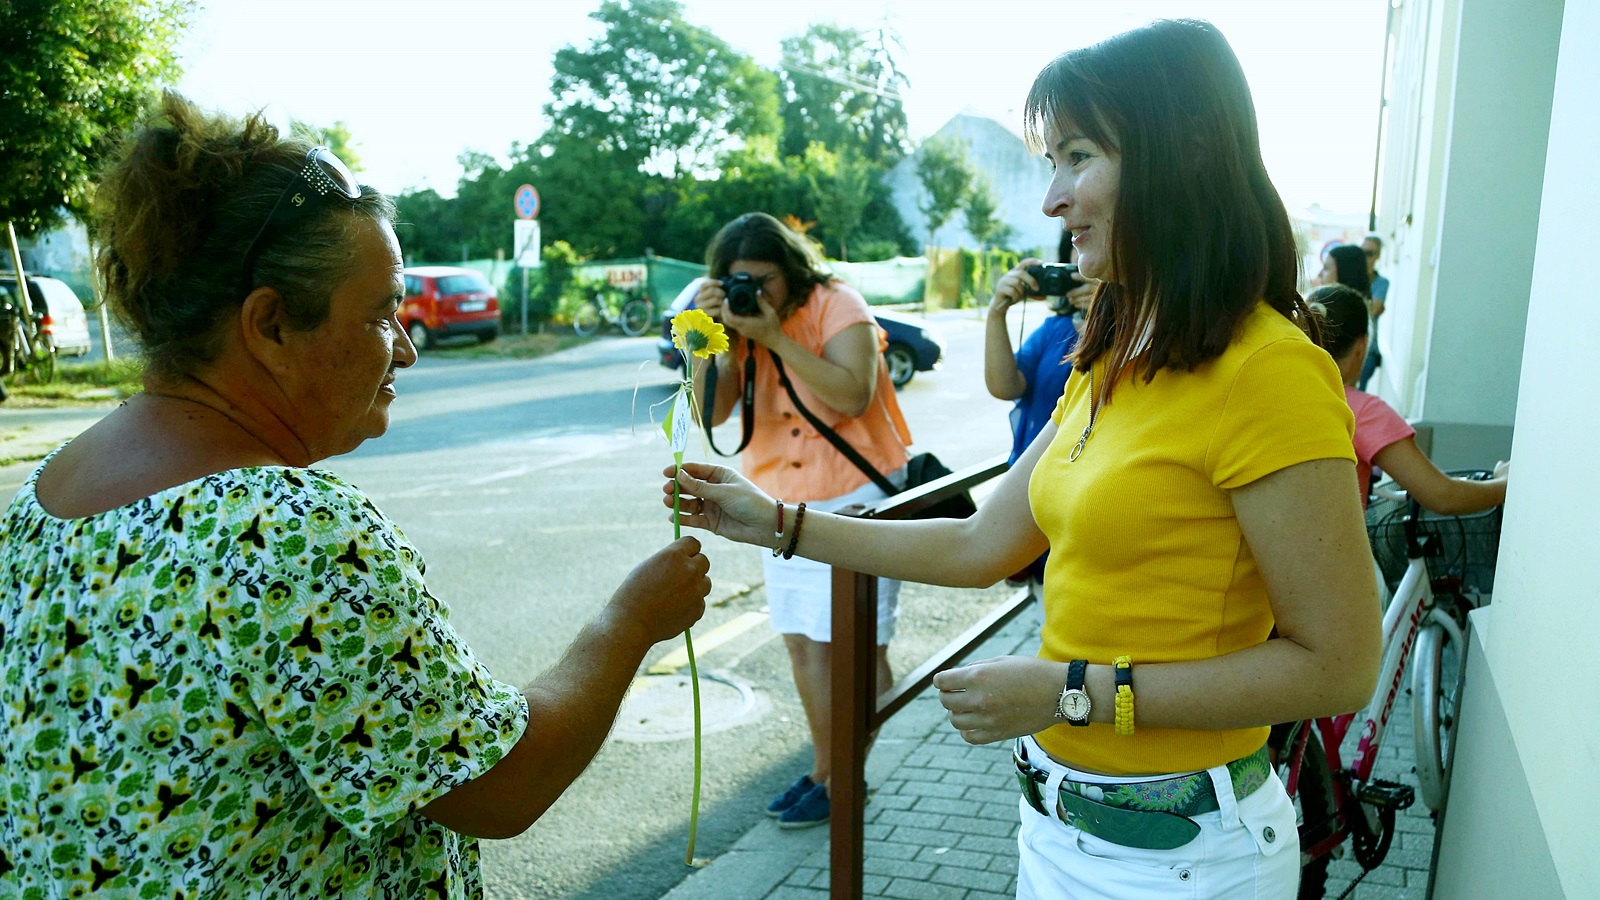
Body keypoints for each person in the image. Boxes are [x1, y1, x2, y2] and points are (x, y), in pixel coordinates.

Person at [666, 19, 1381, 899]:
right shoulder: (1119, 353)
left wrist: (1066, 692)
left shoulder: (1269, 370)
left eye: (1078, 156)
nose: (1052, 199)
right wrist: (777, 523)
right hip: (1058, 829)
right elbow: (978, 546)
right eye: (1053, 162)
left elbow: (1339, 664)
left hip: (1185, 860)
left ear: (1186, 153)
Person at [0, 94, 711, 898]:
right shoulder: (284, 531)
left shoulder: (45, 494)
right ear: (269, 325)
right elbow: (502, 786)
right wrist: (630, 620)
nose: (405, 349)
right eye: (381, 313)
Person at [690, 212, 913, 829]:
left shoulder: (837, 302)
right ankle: (827, 770)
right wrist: (713, 343)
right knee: (802, 643)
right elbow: (714, 411)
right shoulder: (734, 322)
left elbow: (852, 395)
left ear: (789, 270)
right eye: (737, 281)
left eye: (763, 279)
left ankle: (848, 775)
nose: (752, 293)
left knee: (856, 647)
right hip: (781, 503)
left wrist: (778, 337)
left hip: (857, 499)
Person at [1309, 284, 1507, 512]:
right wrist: (1504, 483)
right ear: (1362, 345)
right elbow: (1443, 495)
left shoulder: (1287, 396)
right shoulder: (1361, 411)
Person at [984, 238, 1091, 586]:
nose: (1083, 262)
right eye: (1077, 248)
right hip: (1032, 503)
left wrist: (1111, 314)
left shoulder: (1141, 332)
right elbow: (1005, 386)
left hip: (1085, 510)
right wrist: (998, 310)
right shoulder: (1053, 331)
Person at [1359, 234, 1390, 390]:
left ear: (1377, 255)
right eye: (1361, 252)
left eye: (1369, 253)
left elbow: (1374, 309)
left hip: (1368, 350)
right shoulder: (1353, 278)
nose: (1364, 257)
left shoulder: (1381, 283)